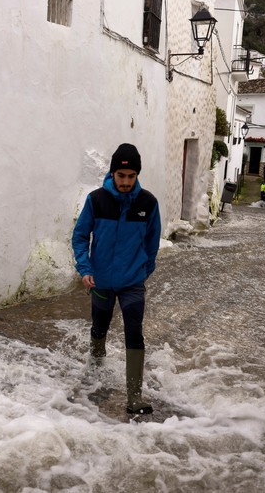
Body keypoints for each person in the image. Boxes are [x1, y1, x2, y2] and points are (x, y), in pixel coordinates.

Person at [72, 143, 162, 415]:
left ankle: (134, 396)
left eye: (131, 176)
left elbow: (152, 241)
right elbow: (80, 236)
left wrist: (143, 269)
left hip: (133, 282)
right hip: (101, 282)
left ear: (137, 175)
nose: (125, 182)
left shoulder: (148, 203)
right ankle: (96, 368)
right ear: (112, 174)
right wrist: (85, 268)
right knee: (100, 327)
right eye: (121, 176)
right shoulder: (96, 200)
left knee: (134, 333)